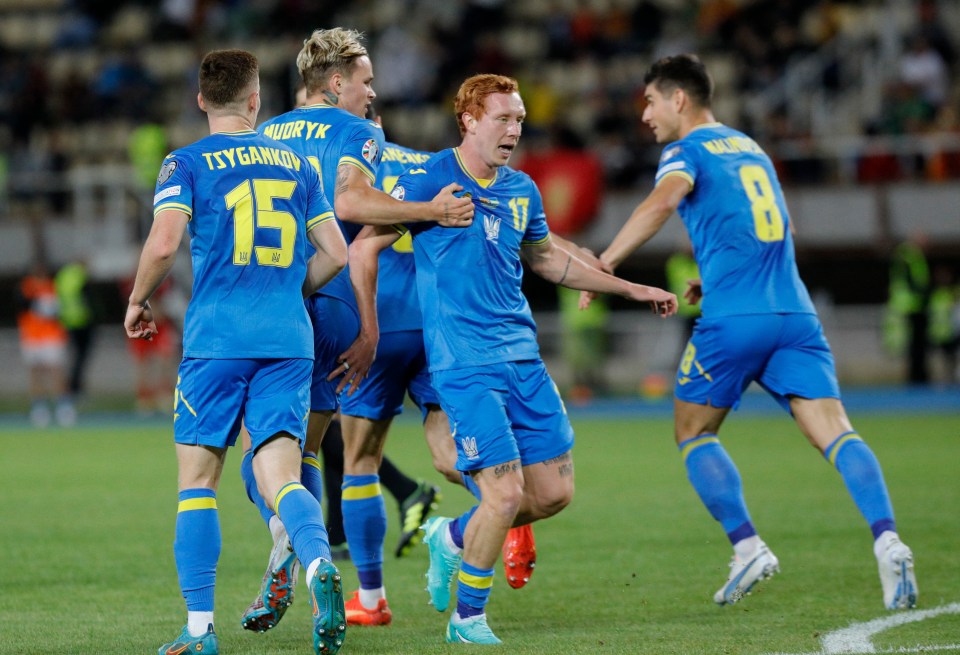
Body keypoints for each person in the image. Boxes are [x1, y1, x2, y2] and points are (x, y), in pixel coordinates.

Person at [348, 73, 678, 644]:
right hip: (463, 364)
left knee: (551, 493)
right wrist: (424, 216)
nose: (514, 129)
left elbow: (549, 260)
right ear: (469, 120)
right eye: (502, 118)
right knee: (501, 494)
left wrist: (628, 288)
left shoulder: (521, 188)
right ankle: (467, 617)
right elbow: (361, 238)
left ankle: (449, 536)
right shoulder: (429, 179)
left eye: (519, 119)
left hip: (522, 358)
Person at [585, 54, 918, 610]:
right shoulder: (750, 147)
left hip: (735, 322)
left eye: (649, 102)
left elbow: (662, 201)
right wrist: (712, 278)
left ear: (679, 100)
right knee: (836, 433)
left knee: (693, 433)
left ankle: (747, 547)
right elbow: (765, 229)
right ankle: (888, 539)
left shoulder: (684, 150)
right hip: (794, 313)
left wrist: (607, 263)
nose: (644, 114)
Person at [238, 27, 473, 634]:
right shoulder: (359, 133)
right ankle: (300, 553)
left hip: (275, 303)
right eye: (366, 81)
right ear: (337, 83)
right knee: (309, 450)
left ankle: (296, 549)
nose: (373, 93)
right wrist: (430, 210)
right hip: (339, 302)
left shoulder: (264, 133)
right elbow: (350, 202)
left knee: (262, 460)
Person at [124, 49, 350, 655]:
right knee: (279, 472)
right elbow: (336, 253)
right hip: (287, 339)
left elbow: (165, 239)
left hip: (218, 341)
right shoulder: (298, 163)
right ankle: (317, 562)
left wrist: (138, 300)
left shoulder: (186, 162)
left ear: (201, 100)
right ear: (256, 101)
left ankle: (200, 632)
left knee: (198, 483)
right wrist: (286, 290)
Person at [17, 263, 73, 427]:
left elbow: (59, 309)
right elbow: (22, 305)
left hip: (51, 336)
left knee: (56, 370)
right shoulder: (26, 287)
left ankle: (63, 406)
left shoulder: (53, 286)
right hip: (31, 336)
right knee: (36, 371)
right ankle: (39, 407)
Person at [888, 234, 932, 384]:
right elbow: (915, 280)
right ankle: (918, 377)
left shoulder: (909, 255)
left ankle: (917, 376)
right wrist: (922, 294)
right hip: (912, 305)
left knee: (916, 345)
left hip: (912, 304)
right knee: (916, 345)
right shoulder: (909, 255)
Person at [55, 259, 96, 401]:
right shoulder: (81, 277)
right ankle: (75, 387)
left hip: (67, 321)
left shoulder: (63, 276)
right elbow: (88, 298)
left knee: (72, 356)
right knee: (81, 356)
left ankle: (70, 387)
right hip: (82, 321)